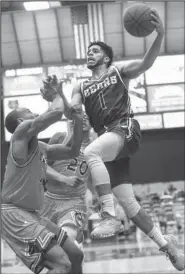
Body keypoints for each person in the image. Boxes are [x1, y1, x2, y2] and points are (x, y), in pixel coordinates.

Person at [1, 84, 84, 274]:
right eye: (30, 111)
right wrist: (55, 94)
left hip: (32, 214)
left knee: (75, 254)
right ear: (22, 120)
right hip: (14, 213)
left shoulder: (41, 148)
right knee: (62, 265)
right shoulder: (20, 135)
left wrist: (78, 122)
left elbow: (72, 150)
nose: (35, 112)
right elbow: (55, 113)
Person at [40, 112, 93, 251]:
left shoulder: (97, 146)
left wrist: (89, 193)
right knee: (46, 250)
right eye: (81, 115)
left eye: (88, 116)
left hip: (74, 200)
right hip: (49, 198)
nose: (84, 118)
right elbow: (42, 165)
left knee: (66, 239)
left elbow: (92, 176)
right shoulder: (59, 136)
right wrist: (63, 178)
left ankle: (74, 242)